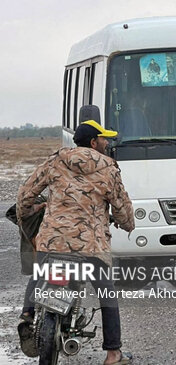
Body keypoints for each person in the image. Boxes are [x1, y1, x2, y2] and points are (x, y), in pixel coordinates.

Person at [16, 120, 134, 365]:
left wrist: (26, 213)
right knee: (106, 292)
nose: (107, 142)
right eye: (104, 139)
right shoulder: (109, 168)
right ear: (93, 142)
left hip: (54, 240)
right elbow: (122, 208)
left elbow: (26, 193)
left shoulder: (56, 161)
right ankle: (113, 353)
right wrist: (128, 224)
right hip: (91, 246)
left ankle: (27, 315)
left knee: (40, 271)